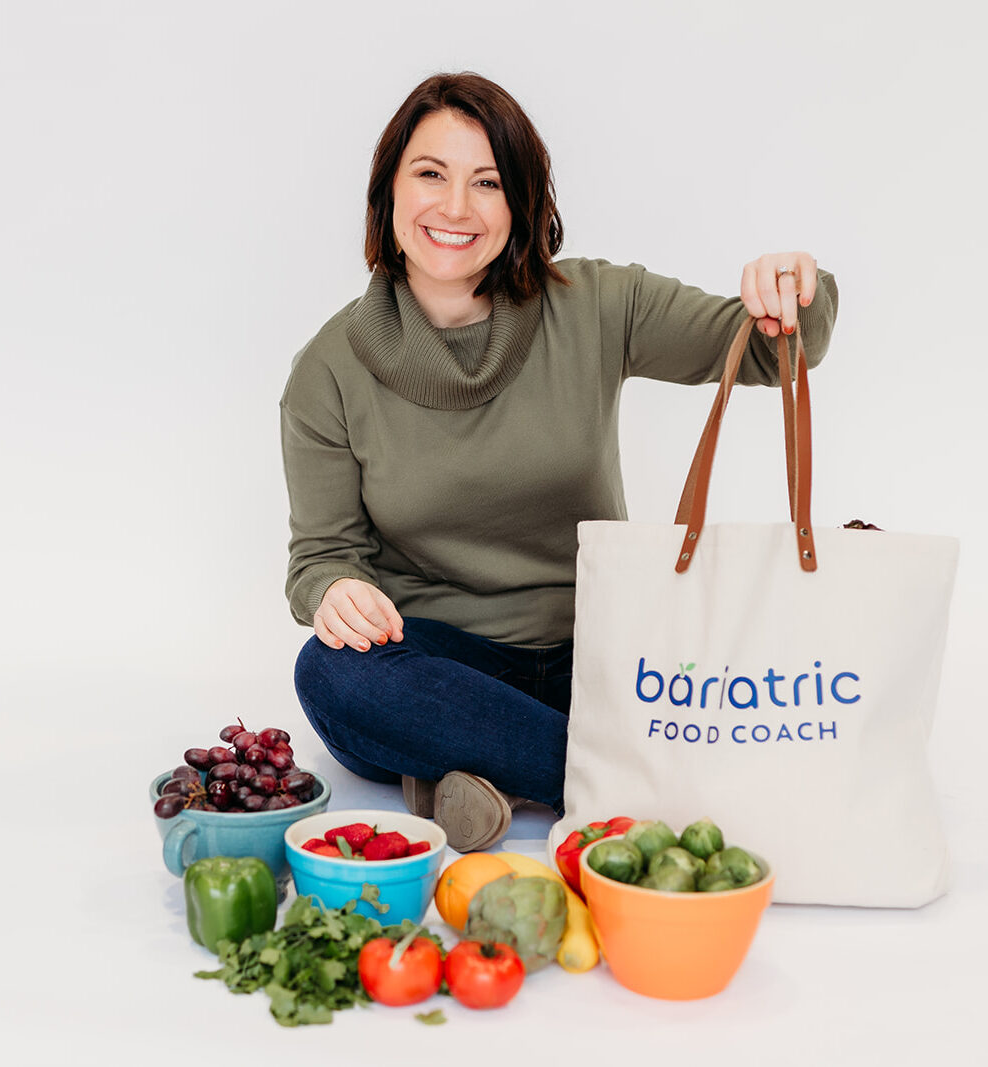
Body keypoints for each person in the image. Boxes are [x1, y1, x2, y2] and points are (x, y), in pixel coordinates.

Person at [280, 72, 838, 852]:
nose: (455, 207)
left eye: (488, 182)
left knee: (717, 646)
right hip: (441, 666)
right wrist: (334, 590)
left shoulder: (596, 303)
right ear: (388, 192)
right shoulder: (328, 369)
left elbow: (777, 351)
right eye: (430, 174)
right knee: (331, 676)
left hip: (602, 647)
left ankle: (483, 768)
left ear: (521, 204)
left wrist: (793, 291)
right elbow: (321, 557)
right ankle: (635, 778)